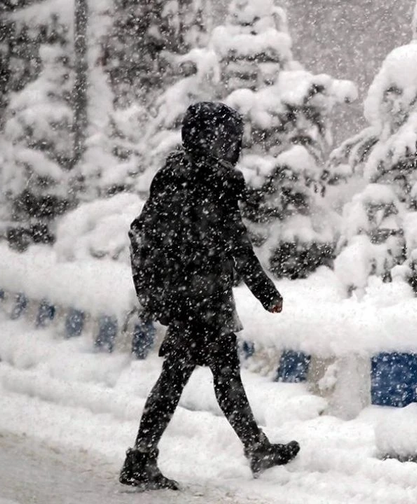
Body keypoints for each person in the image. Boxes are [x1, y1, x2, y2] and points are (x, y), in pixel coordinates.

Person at [120, 102, 300, 490]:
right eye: (228, 138)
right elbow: (238, 247)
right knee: (195, 377)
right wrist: (267, 294)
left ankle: (252, 447)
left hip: (182, 295)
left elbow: (159, 235)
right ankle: (143, 456)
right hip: (202, 298)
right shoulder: (213, 183)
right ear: (212, 139)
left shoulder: (172, 175)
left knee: (208, 373)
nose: (232, 146)